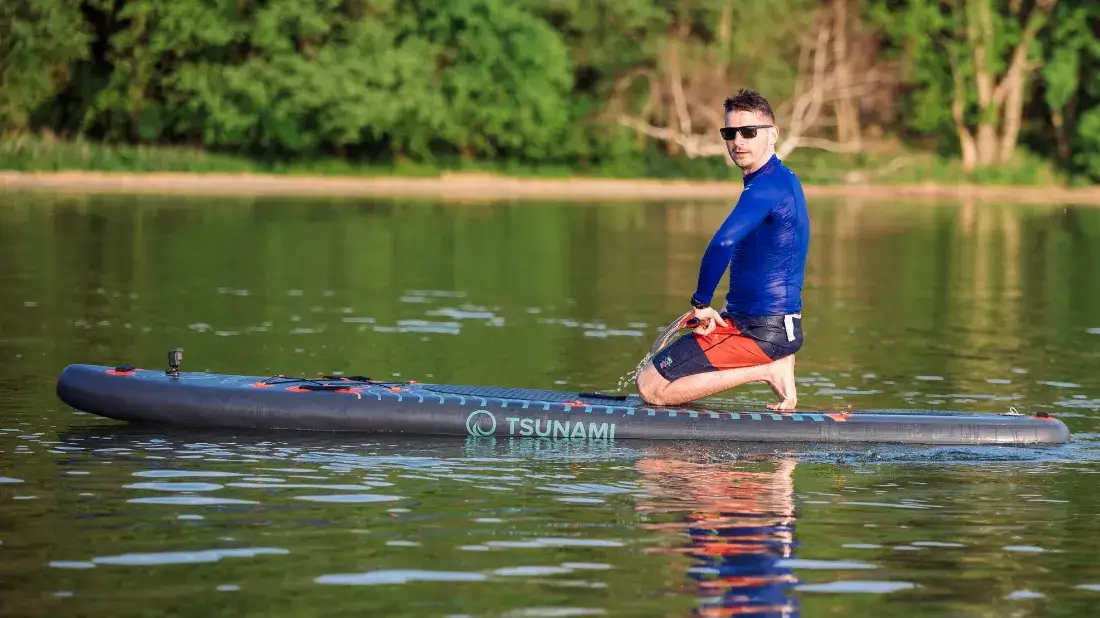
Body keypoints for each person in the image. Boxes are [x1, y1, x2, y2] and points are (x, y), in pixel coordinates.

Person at [636, 89, 810, 410]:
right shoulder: (780, 179)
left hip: (764, 330)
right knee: (654, 375)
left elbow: (723, 243)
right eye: (730, 133)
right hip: (751, 322)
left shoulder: (767, 186)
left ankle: (768, 368)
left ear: (773, 134)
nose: (738, 141)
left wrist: (701, 303)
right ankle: (773, 365)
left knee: (651, 387)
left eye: (748, 132)